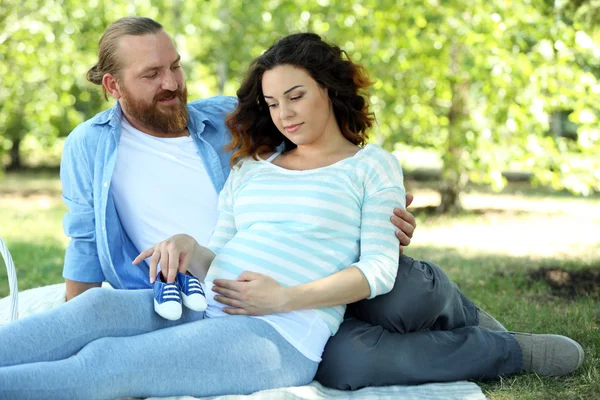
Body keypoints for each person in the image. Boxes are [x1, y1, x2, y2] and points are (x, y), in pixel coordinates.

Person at [0, 27, 410, 399]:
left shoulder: (371, 166)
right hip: (199, 298)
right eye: (271, 103)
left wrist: (284, 298)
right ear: (113, 85)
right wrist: (188, 247)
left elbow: (378, 268)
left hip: (280, 331)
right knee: (94, 312)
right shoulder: (252, 166)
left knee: (110, 361)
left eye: (296, 96)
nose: (283, 114)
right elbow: (217, 253)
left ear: (328, 89)